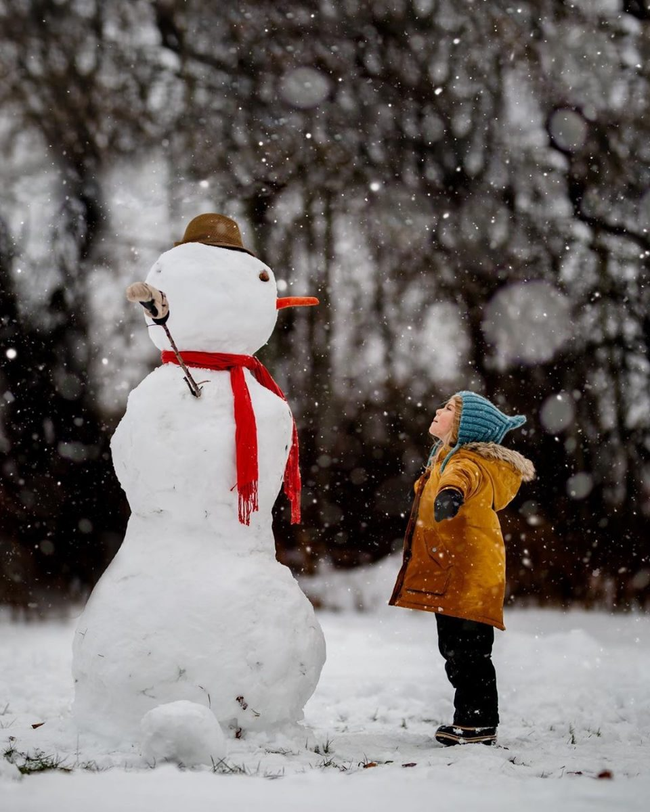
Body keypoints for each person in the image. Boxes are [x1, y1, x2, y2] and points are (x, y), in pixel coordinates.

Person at [389, 391, 535, 746]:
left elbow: (462, 477)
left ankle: (478, 722)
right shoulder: (444, 456)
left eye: (450, 408)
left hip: (470, 574)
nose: (439, 410)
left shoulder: (467, 461)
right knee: (455, 650)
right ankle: (470, 718)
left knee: (468, 652)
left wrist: (450, 495)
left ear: (465, 428)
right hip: (455, 572)